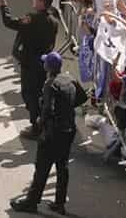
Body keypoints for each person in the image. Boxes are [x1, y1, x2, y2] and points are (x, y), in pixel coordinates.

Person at [10, 52, 88, 215]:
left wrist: (40, 123)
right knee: (62, 166)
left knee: (42, 167)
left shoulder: (50, 84)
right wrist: (66, 107)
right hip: (68, 130)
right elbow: (82, 97)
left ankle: (31, 201)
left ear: (47, 68)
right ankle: (59, 203)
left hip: (54, 132)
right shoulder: (69, 79)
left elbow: (48, 109)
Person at [0, 0, 59, 139]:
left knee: (30, 95)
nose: (34, 0)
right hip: (44, 63)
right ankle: (42, 122)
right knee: (40, 93)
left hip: (30, 63)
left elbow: (10, 22)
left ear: (43, 3)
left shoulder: (32, 19)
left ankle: (36, 126)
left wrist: (3, 5)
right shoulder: (54, 21)